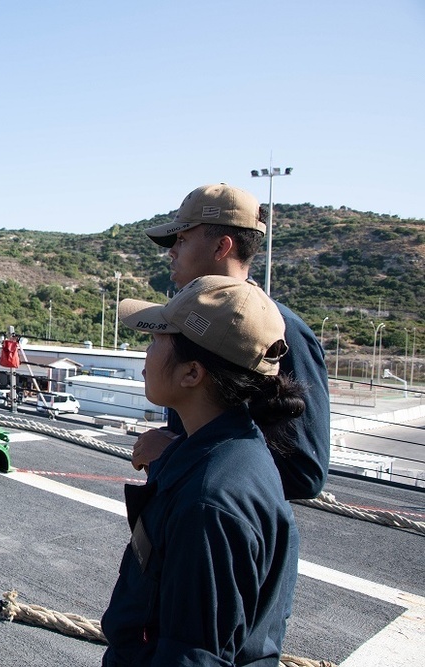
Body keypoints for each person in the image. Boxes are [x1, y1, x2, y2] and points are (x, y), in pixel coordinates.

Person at [102, 275, 305, 666]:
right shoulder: (231, 452)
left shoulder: (209, 502)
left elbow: (194, 656)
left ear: (192, 373)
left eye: (157, 339)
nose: (146, 351)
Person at [134, 183, 330, 501]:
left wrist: (173, 452)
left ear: (221, 248)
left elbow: (304, 474)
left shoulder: (284, 331)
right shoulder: (192, 319)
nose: (171, 251)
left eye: (182, 240)